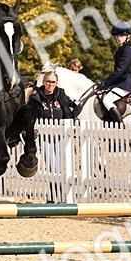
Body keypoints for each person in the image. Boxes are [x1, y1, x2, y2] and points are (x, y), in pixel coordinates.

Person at [27, 71, 81, 200]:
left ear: (56, 83)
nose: (50, 84)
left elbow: (78, 104)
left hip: (61, 137)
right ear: (43, 82)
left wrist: (71, 119)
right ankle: (55, 195)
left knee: (60, 167)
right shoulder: (35, 97)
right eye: (48, 81)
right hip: (45, 137)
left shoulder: (61, 95)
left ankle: (54, 196)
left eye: (53, 82)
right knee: (53, 167)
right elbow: (28, 113)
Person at [97, 23, 131, 120]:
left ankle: (120, 126)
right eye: (117, 36)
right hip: (121, 81)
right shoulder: (121, 49)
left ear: (128, 36)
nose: (118, 38)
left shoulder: (128, 49)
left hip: (126, 82)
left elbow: (120, 69)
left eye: (121, 35)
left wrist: (106, 82)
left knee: (107, 100)